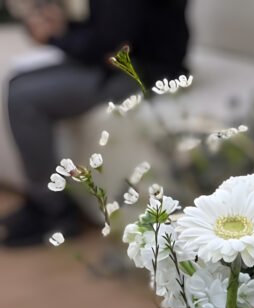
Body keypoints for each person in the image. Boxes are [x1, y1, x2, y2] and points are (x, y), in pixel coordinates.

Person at [2, 0, 190, 248]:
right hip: (127, 63)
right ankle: (44, 202)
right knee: (18, 83)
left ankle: (53, 213)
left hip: (144, 72)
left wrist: (54, 36)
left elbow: (110, 45)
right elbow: (108, 31)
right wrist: (64, 28)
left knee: (23, 97)